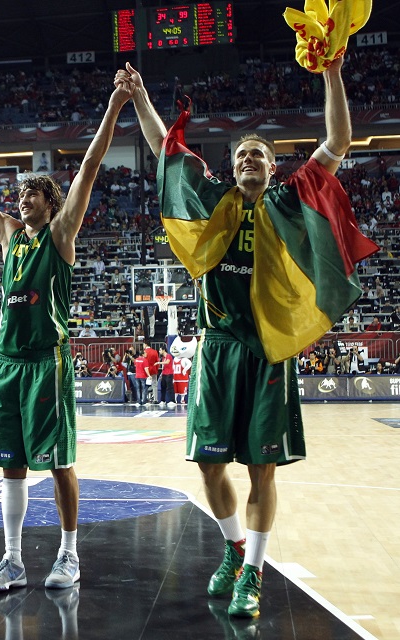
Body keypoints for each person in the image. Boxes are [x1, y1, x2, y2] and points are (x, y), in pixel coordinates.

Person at [121, 54, 377, 617]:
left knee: (261, 469)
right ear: (231, 168)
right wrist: (140, 96)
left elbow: (339, 137)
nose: (247, 160)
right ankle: (236, 550)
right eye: (240, 155)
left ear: (273, 164)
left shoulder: (291, 201)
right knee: (210, 466)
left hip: (267, 351)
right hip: (216, 350)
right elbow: (166, 149)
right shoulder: (211, 202)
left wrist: (331, 70)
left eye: (257, 154)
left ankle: (254, 575)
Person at [0, 81, 131, 591]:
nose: (21, 199)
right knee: (9, 466)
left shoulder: (61, 234)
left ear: (49, 201)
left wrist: (115, 105)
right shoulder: (11, 238)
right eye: (19, 194)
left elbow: (89, 167)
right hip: (7, 362)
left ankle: (69, 555)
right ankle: (12, 559)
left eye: (31, 193)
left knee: (59, 463)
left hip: (47, 360)